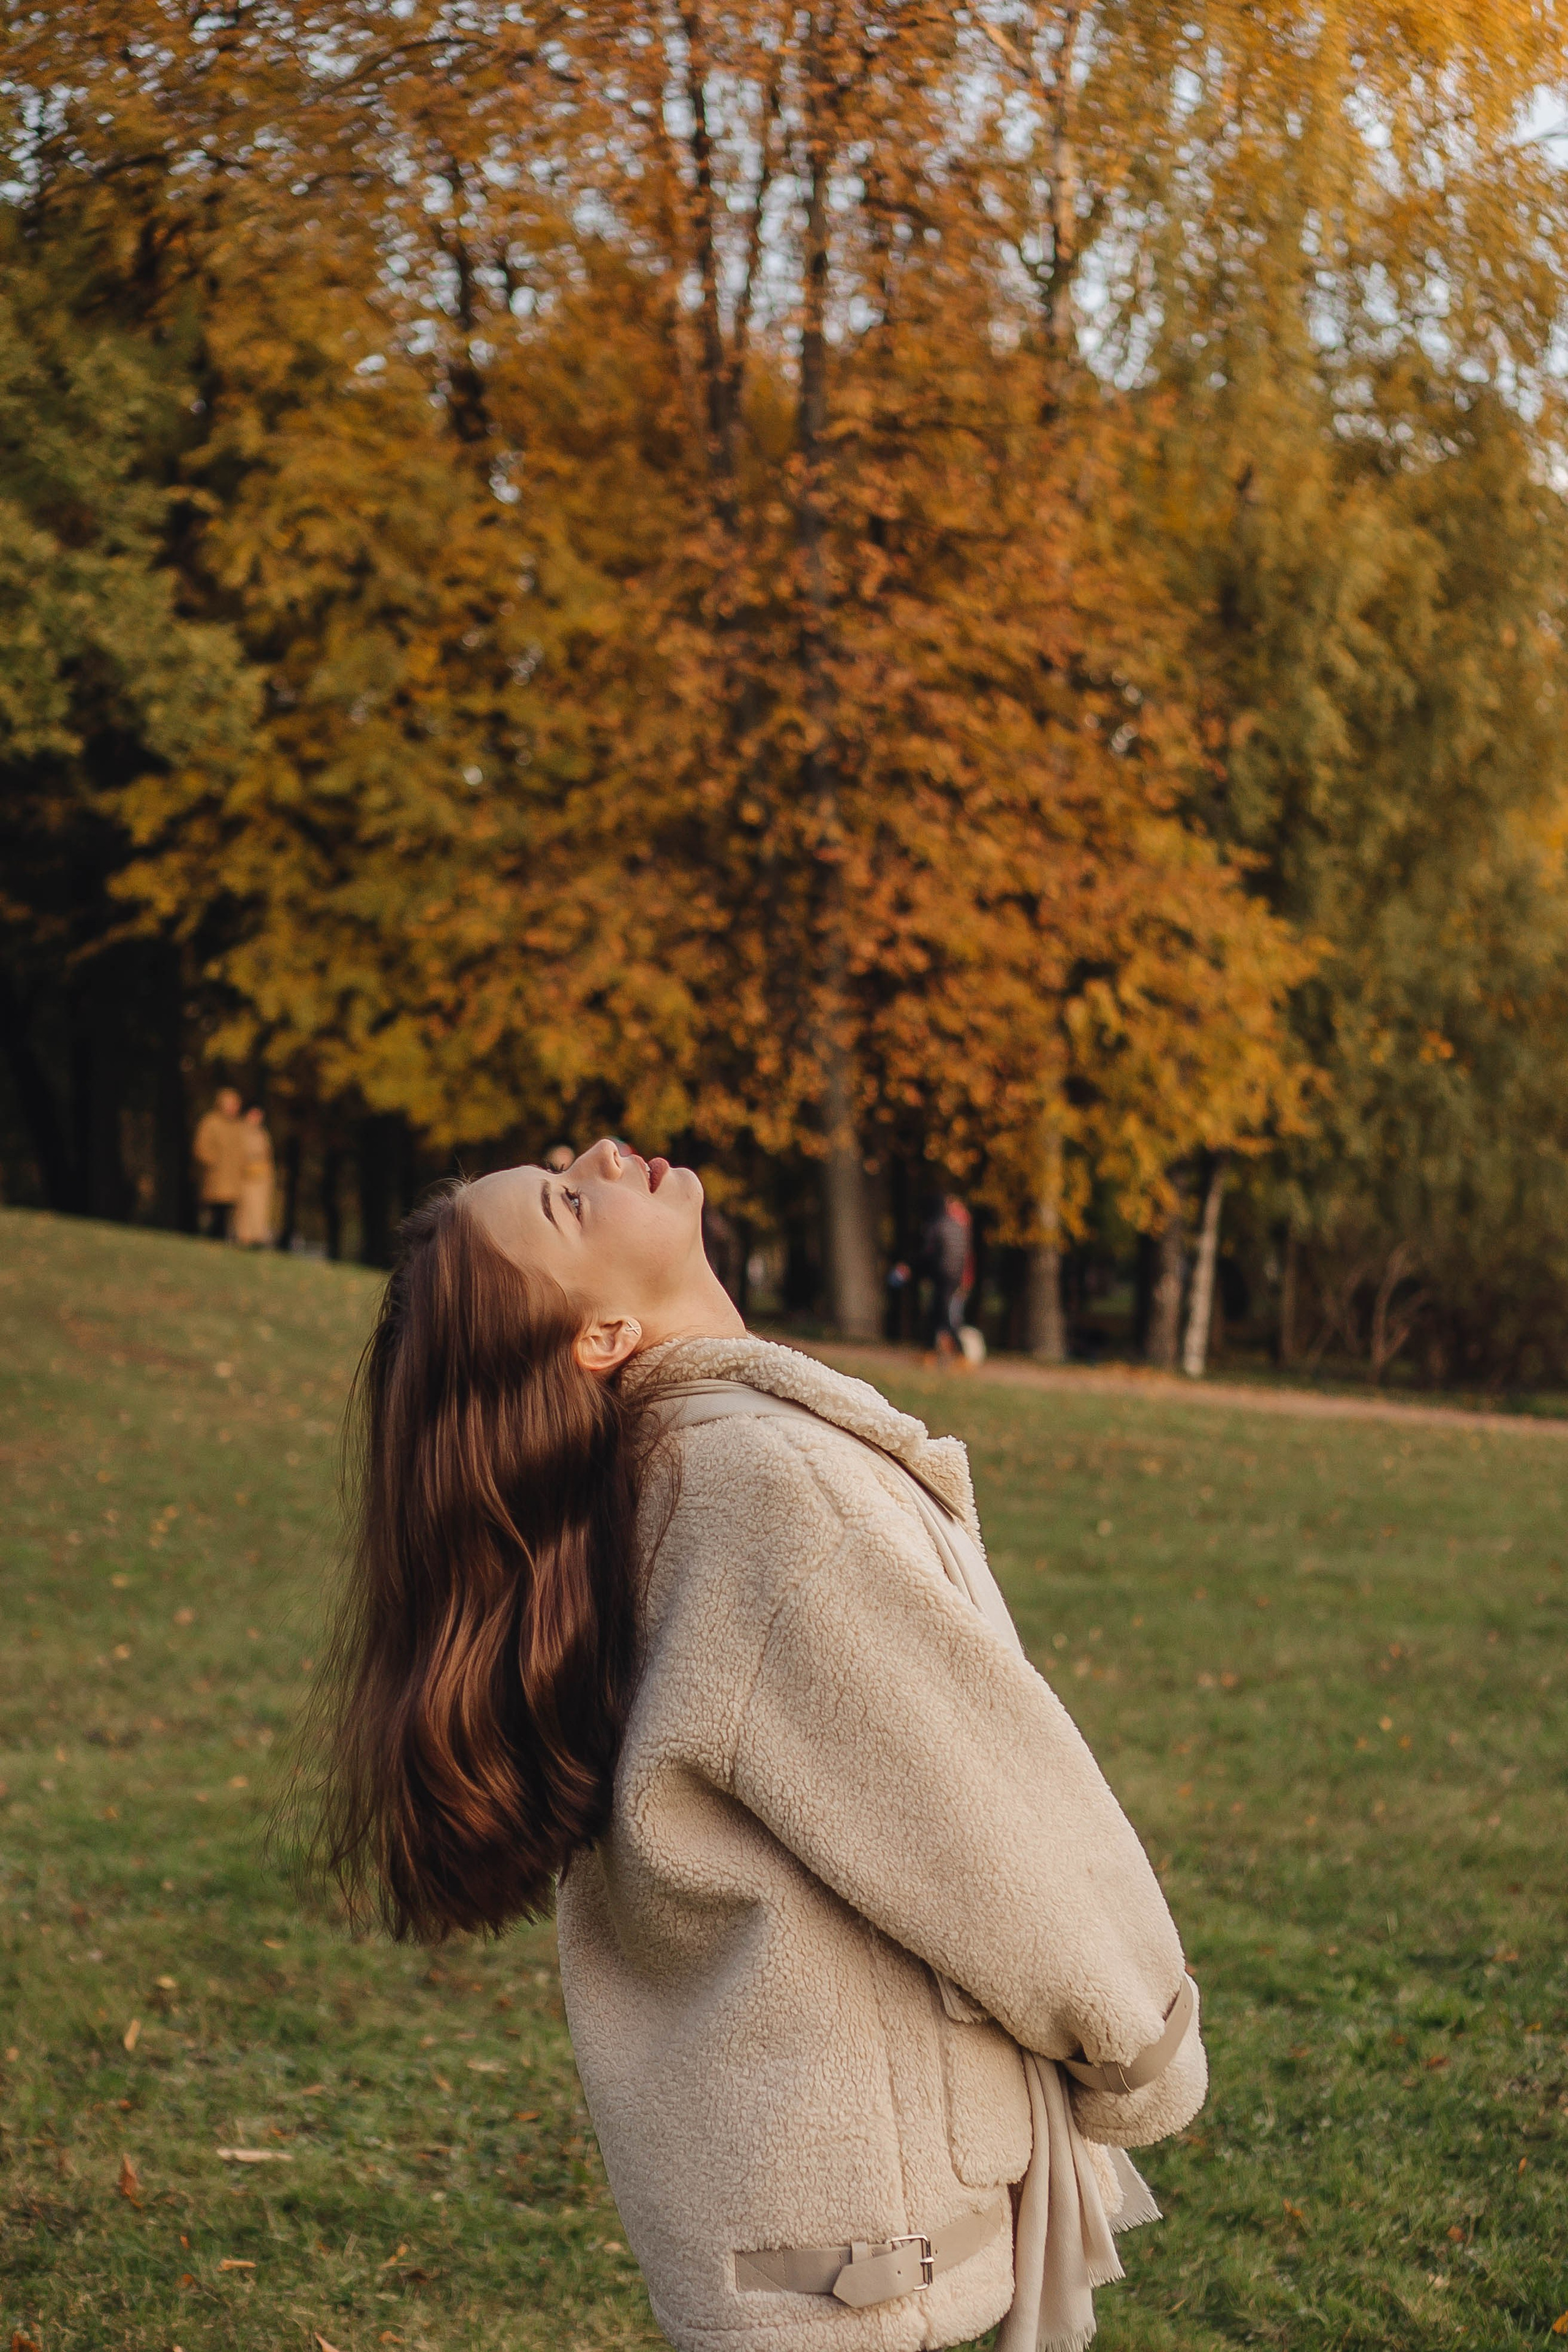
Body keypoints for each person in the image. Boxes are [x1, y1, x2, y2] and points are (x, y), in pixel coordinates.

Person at [312, 1139, 1205, 2352]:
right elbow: (981, 1816)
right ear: (601, 1336)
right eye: (571, 1203)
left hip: (797, 2232)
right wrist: (1143, 2041)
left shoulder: (668, 1479)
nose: (603, 1157)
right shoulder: (760, 1485)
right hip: (878, 2263)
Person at [921, 1191, 974, 1364]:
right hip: (957, 1277)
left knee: (947, 1316)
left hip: (947, 1276)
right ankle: (935, 1352)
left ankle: (958, 1354)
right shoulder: (960, 1227)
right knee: (943, 1315)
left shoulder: (943, 1224)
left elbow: (929, 1251)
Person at [191, 1088, 247, 1240]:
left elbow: (243, 1152)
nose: (235, 1108)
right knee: (214, 1212)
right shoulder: (210, 1122)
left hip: (233, 1179)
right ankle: (208, 1238)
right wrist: (212, 1162)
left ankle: (219, 1240)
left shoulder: (238, 1126)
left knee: (227, 1214)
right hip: (215, 1177)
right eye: (231, 1104)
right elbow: (201, 1148)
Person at [232, 1107, 276, 1248]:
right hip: (245, 1176)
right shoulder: (240, 1131)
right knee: (245, 1209)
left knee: (259, 1209)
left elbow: (267, 1155)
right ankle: (244, 1236)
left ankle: (257, 1237)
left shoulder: (262, 1134)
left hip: (260, 1178)